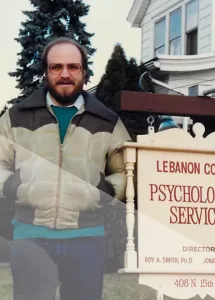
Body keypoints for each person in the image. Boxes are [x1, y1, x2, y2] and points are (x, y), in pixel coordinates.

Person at [0, 37, 131, 300]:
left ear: (84, 72)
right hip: (30, 235)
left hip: (87, 237)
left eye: (73, 67)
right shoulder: (16, 117)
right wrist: (15, 187)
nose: (65, 74)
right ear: (46, 72)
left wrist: (102, 192)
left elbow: (127, 172)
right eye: (56, 67)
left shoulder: (107, 121)